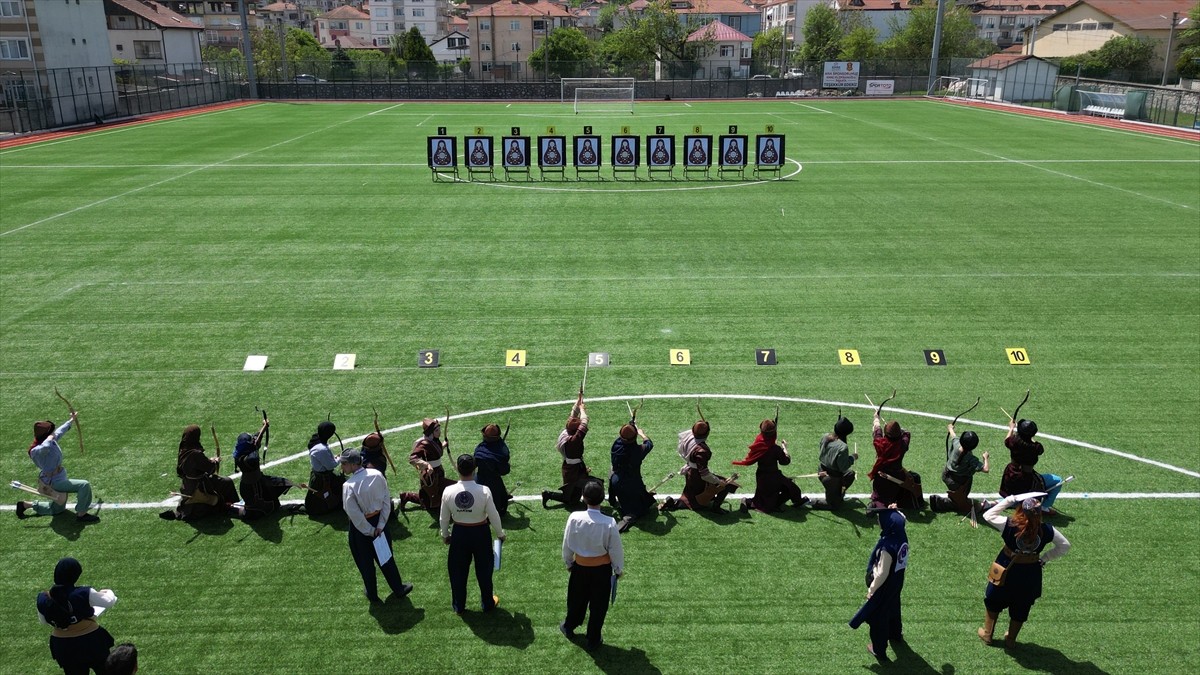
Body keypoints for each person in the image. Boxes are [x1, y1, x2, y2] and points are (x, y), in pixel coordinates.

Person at [979, 493, 1070, 648]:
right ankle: (1011, 639)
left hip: (1006, 568)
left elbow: (988, 515)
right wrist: (1044, 558)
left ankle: (988, 634)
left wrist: (1009, 500)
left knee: (994, 599)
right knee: (1022, 604)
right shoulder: (1047, 530)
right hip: (1030, 572)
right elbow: (1065, 546)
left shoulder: (1009, 524)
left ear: (1021, 510)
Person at [341, 449, 413, 603]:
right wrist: (380, 525)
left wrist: (370, 530)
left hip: (361, 530)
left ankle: (372, 594)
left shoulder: (348, 485)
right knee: (386, 557)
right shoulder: (377, 474)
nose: (342, 467)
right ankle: (398, 588)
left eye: (344, 464)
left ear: (353, 464)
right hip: (380, 523)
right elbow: (387, 501)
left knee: (365, 562)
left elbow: (354, 514)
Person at [561, 480, 624, 652]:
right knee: (599, 606)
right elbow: (615, 550)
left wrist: (568, 562)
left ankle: (569, 626)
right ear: (602, 499)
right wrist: (618, 569)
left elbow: (567, 543)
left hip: (579, 567)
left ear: (583, 498)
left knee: (575, 600)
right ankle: (593, 638)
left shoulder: (574, 517)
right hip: (602, 571)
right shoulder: (609, 522)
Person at [440, 454, 506, 614]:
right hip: (480, 533)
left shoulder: (448, 491)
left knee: (457, 572)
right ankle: (487, 603)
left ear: (457, 468)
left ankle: (459, 605)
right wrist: (500, 533)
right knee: (484, 570)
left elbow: (444, 517)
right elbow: (493, 514)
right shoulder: (483, 490)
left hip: (459, 533)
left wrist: (445, 535)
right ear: (475, 469)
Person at [36, 557, 117, 675]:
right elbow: (109, 601)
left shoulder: (43, 598)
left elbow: (44, 621)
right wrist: (108, 591)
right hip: (91, 641)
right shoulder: (83, 593)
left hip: (63, 646)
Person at [849, 508, 909, 662]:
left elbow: (882, 573)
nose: (878, 522)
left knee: (878, 619)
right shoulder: (902, 536)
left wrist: (872, 589)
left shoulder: (887, 547)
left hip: (884, 586)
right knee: (894, 607)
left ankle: (878, 649)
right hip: (897, 582)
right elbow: (902, 518)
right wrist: (894, 511)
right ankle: (896, 634)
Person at [17, 413, 99, 523]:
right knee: (84, 485)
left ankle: (25, 505)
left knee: (57, 509)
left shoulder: (49, 440)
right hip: (53, 481)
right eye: (51, 433)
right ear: (46, 436)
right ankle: (82, 514)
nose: (53, 434)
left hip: (58, 476)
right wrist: (50, 438)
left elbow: (60, 431)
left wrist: (71, 420)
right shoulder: (36, 450)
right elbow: (45, 448)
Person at [160, 425, 239, 521]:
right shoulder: (195, 454)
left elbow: (196, 465)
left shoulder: (183, 450)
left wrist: (210, 460)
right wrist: (215, 461)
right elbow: (210, 468)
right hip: (199, 485)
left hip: (188, 485)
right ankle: (235, 506)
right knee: (227, 482)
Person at [661, 418, 737, 513]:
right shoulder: (702, 451)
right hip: (697, 476)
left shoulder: (687, 436)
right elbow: (704, 475)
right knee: (726, 485)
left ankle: (673, 503)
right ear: (707, 433)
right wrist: (718, 482)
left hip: (690, 472)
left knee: (691, 494)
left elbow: (697, 429)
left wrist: (702, 424)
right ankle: (715, 508)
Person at [735, 419, 805, 513]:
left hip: (761, 476)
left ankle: (750, 502)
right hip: (773, 477)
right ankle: (793, 502)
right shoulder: (775, 449)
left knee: (763, 495)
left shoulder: (759, 444)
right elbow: (785, 461)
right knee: (793, 489)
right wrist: (784, 448)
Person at [232, 418, 294, 519]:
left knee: (276, 497)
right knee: (261, 508)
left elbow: (256, 440)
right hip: (256, 487)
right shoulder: (250, 458)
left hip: (248, 485)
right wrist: (261, 433)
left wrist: (264, 427)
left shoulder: (239, 453)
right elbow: (255, 446)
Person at [1000, 419, 1062, 517]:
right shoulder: (1036, 447)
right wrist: (1029, 437)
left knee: (1013, 493)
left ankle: (1010, 503)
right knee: (1058, 481)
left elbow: (1007, 440)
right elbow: (1038, 448)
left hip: (1011, 474)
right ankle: (1044, 507)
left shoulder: (1014, 441)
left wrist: (1011, 428)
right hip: (1027, 478)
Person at [398, 418, 454, 514]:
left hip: (438, 471)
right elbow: (413, 458)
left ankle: (407, 496)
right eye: (437, 430)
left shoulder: (434, 440)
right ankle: (407, 496)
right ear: (430, 432)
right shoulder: (423, 444)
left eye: (439, 429)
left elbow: (435, 451)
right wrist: (426, 464)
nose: (439, 432)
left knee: (435, 496)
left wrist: (443, 445)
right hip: (430, 475)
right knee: (430, 501)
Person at [542, 400, 591, 510]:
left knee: (575, 494)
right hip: (573, 470)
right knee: (571, 499)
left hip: (571, 467)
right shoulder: (573, 441)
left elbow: (573, 416)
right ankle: (548, 494)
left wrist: (578, 402)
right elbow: (584, 422)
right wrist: (582, 409)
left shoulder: (566, 432)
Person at [869, 414, 925, 510]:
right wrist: (900, 431)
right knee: (893, 493)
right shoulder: (902, 444)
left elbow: (877, 432)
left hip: (881, 476)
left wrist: (876, 419)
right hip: (897, 476)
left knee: (880, 497)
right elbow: (907, 433)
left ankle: (877, 505)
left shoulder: (880, 444)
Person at [608, 421, 656, 533]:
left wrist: (631, 426)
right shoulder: (638, 451)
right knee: (641, 509)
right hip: (631, 483)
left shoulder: (616, 444)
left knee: (612, 472)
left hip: (615, 479)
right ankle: (628, 518)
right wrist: (642, 434)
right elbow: (649, 444)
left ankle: (612, 500)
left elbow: (626, 436)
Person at [930, 425, 989, 514]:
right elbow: (985, 469)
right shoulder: (971, 458)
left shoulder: (957, 443)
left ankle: (953, 499)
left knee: (958, 496)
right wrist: (985, 458)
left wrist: (950, 428)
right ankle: (938, 502)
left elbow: (953, 436)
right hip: (958, 481)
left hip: (946, 474)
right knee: (961, 501)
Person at [812, 415, 857, 510]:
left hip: (822, 471)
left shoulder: (825, 436)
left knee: (850, 474)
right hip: (832, 478)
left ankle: (838, 493)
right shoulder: (843, 447)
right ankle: (814, 502)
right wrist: (852, 458)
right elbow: (843, 467)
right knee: (834, 505)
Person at [304, 421, 345, 515]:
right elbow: (331, 465)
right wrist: (340, 458)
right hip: (323, 479)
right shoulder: (321, 449)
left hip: (319, 475)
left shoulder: (316, 439)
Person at [473, 424, 513, 517]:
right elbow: (504, 471)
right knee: (499, 510)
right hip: (494, 484)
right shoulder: (502, 452)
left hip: (478, 481)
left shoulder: (480, 448)